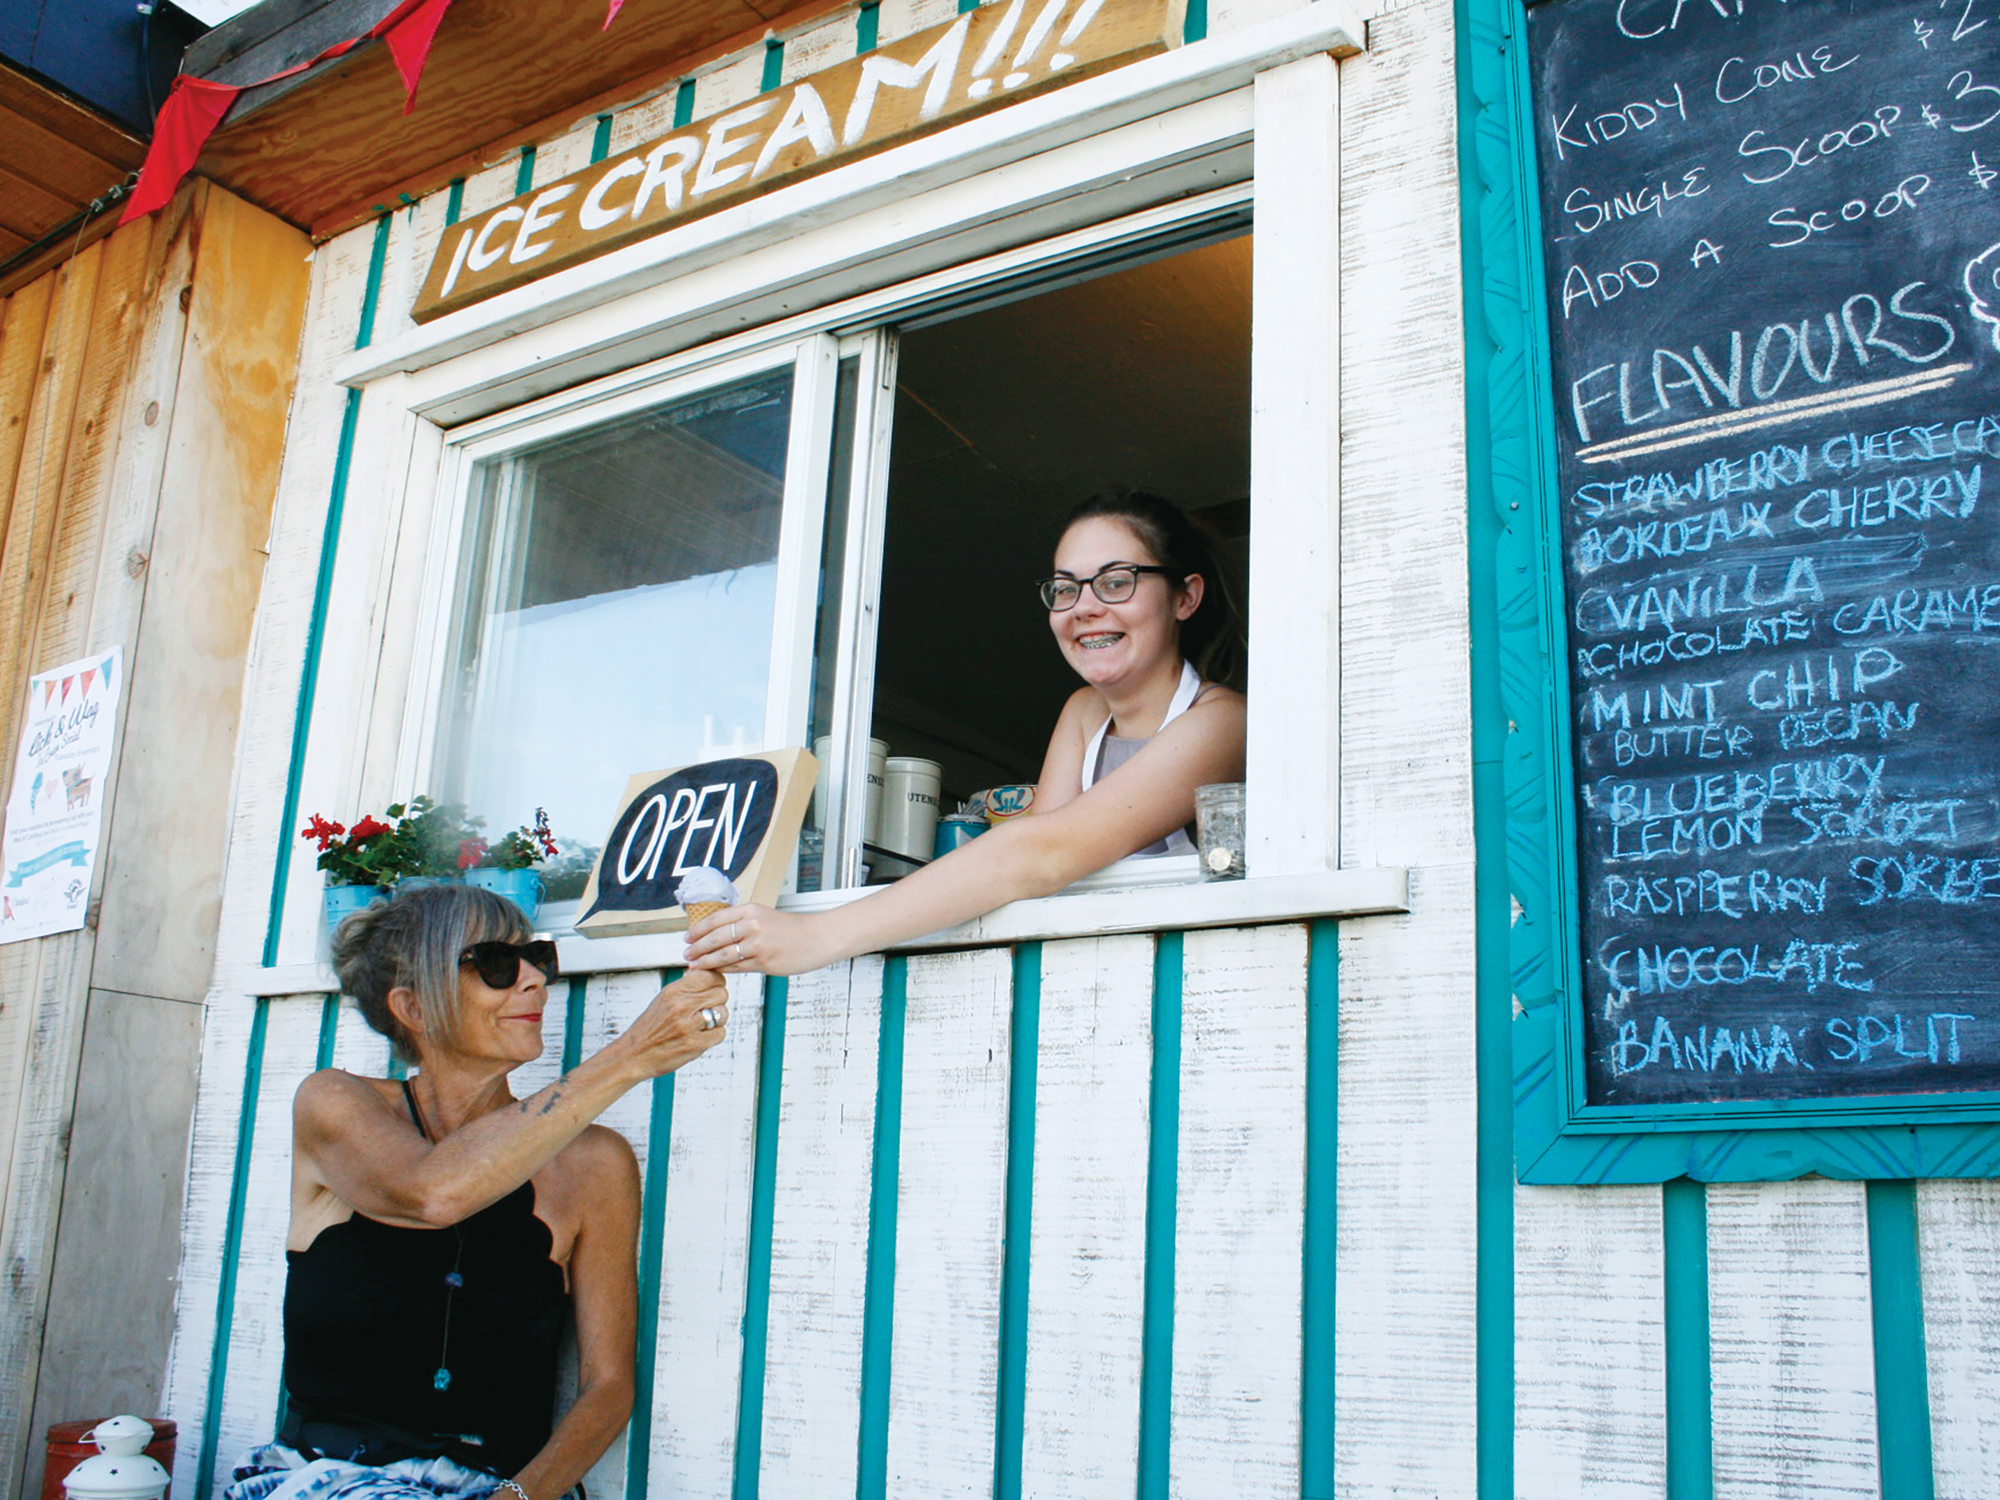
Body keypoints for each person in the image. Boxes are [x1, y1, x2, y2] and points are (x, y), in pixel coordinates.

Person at [225, 883, 729, 1500]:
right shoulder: (334, 1102)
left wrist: (518, 1498)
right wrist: (629, 1056)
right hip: (331, 1481)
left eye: (538, 959)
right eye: (495, 964)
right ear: (412, 1007)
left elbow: (608, 1385)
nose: (535, 981)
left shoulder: (594, 1165)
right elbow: (432, 1195)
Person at [685, 487, 1246, 978]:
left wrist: (817, 935)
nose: (1085, 608)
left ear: (1184, 597)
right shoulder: (1084, 713)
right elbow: (1035, 869)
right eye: (1065, 588)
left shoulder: (1223, 721)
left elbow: (1044, 854)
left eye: (1116, 582)